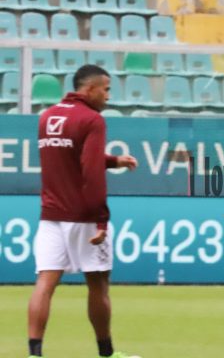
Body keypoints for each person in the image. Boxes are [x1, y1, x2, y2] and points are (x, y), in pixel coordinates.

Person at [28, 65, 140, 358]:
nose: (108, 96)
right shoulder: (92, 119)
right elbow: (90, 171)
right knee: (98, 284)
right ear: (90, 89)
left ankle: (34, 353)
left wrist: (113, 160)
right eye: (106, 89)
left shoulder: (47, 116)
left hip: (50, 215)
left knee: (44, 283)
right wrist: (101, 219)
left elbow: (70, 156)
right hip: (84, 216)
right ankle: (106, 353)